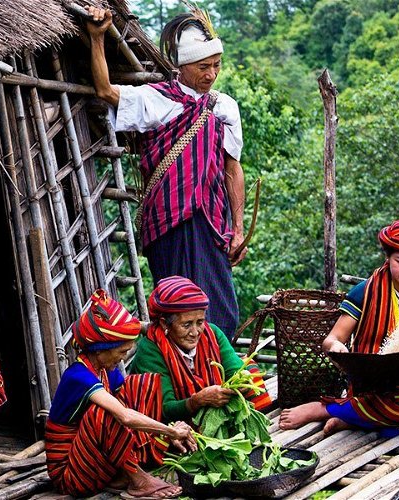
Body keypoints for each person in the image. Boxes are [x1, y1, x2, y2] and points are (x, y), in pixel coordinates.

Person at [82, 6, 247, 338]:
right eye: (203, 67)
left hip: (210, 222)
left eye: (216, 65)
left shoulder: (224, 107)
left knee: (220, 309)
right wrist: (97, 39)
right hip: (166, 222)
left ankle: (218, 378)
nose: (211, 74)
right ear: (183, 67)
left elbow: (232, 168)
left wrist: (238, 229)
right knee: (173, 308)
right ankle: (179, 381)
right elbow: (105, 91)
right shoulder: (157, 100)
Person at [278, 217, 399, 440]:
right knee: (391, 402)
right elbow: (332, 339)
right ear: (387, 258)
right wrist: (336, 347)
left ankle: (360, 420)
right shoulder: (365, 292)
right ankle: (325, 409)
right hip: (376, 388)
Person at [45, 290, 196, 498]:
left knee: (141, 385)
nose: (123, 358)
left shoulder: (105, 371)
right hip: (71, 474)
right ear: (99, 350)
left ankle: (134, 464)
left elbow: (132, 402)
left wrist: (164, 433)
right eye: (122, 352)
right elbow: (124, 416)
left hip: (94, 463)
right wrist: (172, 432)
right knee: (105, 412)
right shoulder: (78, 376)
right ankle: (137, 479)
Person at [129, 276, 273, 423]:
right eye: (186, 325)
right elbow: (163, 409)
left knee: (249, 370)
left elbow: (233, 368)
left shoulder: (213, 334)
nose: (195, 332)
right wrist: (195, 402)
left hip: (212, 418)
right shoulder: (151, 350)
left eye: (200, 322)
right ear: (165, 324)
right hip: (172, 428)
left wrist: (241, 381)